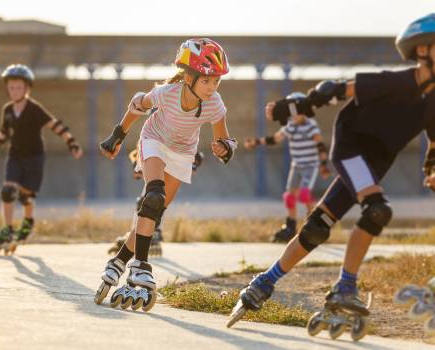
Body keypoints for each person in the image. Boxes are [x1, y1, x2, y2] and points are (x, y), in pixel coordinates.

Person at [228, 14, 435, 341]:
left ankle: (263, 282)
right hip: (352, 148)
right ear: (422, 49)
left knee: (317, 226)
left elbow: (434, 143)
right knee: (377, 210)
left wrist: (430, 168)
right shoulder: (399, 81)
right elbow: (335, 89)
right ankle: (345, 287)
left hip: (374, 164)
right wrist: (296, 107)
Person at [94, 38, 236, 312]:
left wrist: (224, 149)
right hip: (154, 140)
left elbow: (224, 140)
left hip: (183, 153)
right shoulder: (167, 93)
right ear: (188, 76)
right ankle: (141, 267)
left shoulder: (215, 105)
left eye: (216, 81)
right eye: (207, 81)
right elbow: (137, 104)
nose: (212, 88)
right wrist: (117, 135)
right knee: (153, 196)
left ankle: (119, 262)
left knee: (152, 214)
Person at [0, 64, 83, 255]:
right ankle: (7, 229)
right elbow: (3, 132)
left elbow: (55, 125)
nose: (14, 91)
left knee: (25, 196)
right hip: (15, 155)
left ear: (27, 88)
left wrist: (71, 142)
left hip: (34, 157)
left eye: (18, 87)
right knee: (7, 191)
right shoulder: (7, 110)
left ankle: (28, 222)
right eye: (11, 87)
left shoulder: (34, 109)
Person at [244, 92, 330, 243]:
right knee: (289, 197)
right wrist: (256, 142)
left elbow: (320, 146)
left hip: (310, 166)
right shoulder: (290, 126)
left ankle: (313, 225)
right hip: (296, 165)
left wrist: (323, 165)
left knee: (304, 195)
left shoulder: (311, 125)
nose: (294, 117)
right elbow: (275, 139)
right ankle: (290, 227)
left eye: (296, 113)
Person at [107, 142, 204, 256]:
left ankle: (152, 232)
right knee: (148, 200)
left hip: (172, 163)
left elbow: (191, 148)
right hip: (159, 161)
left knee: (154, 201)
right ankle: (137, 233)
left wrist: (193, 163)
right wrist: (137, 165)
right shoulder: (151, 134)